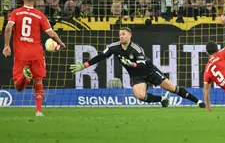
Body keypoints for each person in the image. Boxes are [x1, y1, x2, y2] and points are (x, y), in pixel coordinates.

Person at [70, 27, 205, 108]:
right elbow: (100, 57)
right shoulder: (114, 48)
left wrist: (131, 64)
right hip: (136, 76)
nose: (121, 36)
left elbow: (141, 64)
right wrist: (84, 65)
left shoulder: (136, 48)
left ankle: (198, 102)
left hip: (148, 70)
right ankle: (162, 100)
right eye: (120, 34)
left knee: (172, 88)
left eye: (123, 34)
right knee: (140, 96)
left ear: (129, 35)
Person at [2, 0, 66, 117]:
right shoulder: (40, 15)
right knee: (38, 81)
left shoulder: (16, 13)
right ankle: (38, 111)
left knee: (19, 87)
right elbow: (51, 33)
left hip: (21, 54)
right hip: (37, 53)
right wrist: (60, 43)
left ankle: (25, 77)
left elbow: (8, 27)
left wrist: (6, 46)